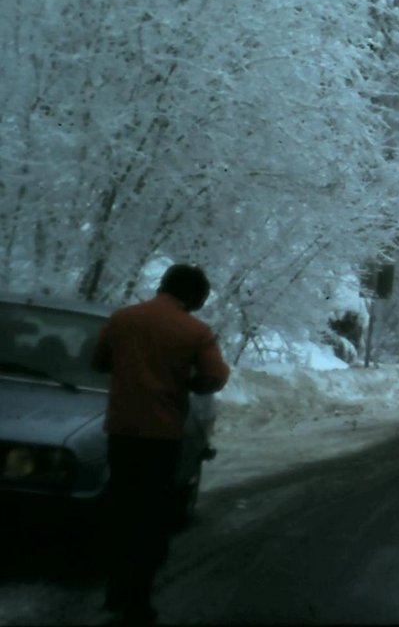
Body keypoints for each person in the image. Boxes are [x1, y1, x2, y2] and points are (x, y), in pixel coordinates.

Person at [91, 264, 231, 625]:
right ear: (194, 296)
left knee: (121, 508)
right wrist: (190, 385)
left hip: (121, 431)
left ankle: (115, 587)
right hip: (162, 436)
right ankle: (137, 601)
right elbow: (215, 376)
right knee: (151, 518)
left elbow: (98, 362)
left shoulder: (123, 319)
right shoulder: (195, 331)